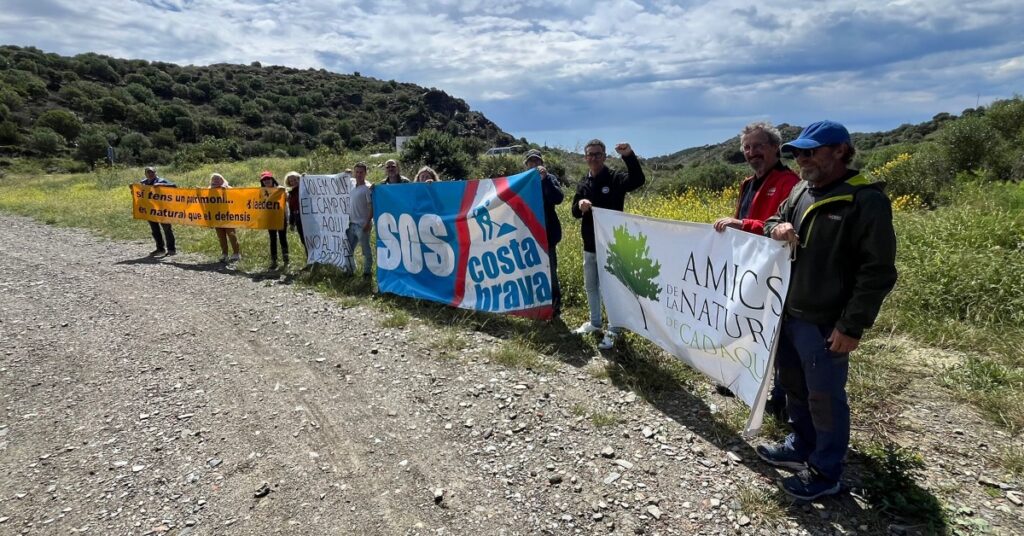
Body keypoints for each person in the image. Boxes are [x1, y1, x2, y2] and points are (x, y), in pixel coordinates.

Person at [759, 120, 897, 501]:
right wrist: (777, 228)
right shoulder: (801, 191)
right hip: (790, 314)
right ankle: (801, 445)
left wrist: (851, 326)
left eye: (811, 151)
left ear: (840, 151)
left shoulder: (865, 200)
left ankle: (825, 472)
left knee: (825, 397)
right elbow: (773, 220)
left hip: (826, 323)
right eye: (798, 153)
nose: (803, 159)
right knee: (794, 386)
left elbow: (877, 272)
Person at [712, 122, 800, 419]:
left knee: (776, 333)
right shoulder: (747, 183)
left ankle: (780, 398)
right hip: (749, 266)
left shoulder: (790, 182)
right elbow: (741, 222)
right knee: (747, 321)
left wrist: (743, 225)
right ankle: (739, 378)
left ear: (775, 147)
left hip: (776, 271)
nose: (752, 152)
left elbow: (785, 227)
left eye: (758, 146)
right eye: (747, 147)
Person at [571, 140, 646, 349]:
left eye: (597, 154)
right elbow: (574, 212)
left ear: (604, 156)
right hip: (590, 245)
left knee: (612, 289)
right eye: (590, 154)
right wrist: (580, 204)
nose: (593, 158)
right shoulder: (583, 182)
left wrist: (628, 155)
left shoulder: (615, 178)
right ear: (585, 157)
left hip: (612, 246)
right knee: (591, 287)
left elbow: (638, 180)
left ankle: (614, 329)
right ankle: (595, 323)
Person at [523, 149, 565, 318]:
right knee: (529, 271)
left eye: (537, 161)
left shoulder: (550, 178)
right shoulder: (520, 181)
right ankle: (533, 304)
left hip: (547, 234)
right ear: (526, 165)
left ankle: (554, 307)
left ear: (542, 163)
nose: (534, 164)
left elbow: (558, 198)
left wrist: (545, 179)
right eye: (531, 162)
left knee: (550, 271)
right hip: (526, 234)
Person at [139, 166, 176, 256]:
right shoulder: (143, 183)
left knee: (167, 229)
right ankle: (160, 249)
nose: (150, 174)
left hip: (162, 210)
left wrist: (161, 185)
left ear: (155, 173)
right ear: (145, 174)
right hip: (150, 210)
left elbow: (174, 186)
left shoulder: (161, 181)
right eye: (148, 172)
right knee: (155, 230)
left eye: (152, 172)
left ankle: (171, 249)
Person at [347, 162, 374, 277]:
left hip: (362, 225)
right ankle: (350, 270)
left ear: (365, 173)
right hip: (351, 224)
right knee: (348, 250)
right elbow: (341, 179)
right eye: (357, 172)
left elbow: (371, 207)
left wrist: (368, 223)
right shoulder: (352, 184)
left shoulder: (367, 188)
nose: (358, 174)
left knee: (365, 250)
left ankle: (367, 272)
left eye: (361, 172)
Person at [259, 171, 289, 269]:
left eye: (268, 179)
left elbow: (287, 198)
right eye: (264, 180)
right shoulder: (261, 191)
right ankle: (274, 260)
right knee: (272, 239)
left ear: (272, 179)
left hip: (281, 217)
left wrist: (285, 192)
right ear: (262, 182)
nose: (266, 181)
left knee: (283, 238)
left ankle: (286, 260)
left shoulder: (280, 189)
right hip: (269, 218)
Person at [209, 173, 240, 263]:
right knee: (221, 236)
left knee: (232, 235)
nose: (216, 180)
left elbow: (236, 199)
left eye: (218, 178)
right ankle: (224, 254)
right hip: (216, 217)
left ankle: (236, 253)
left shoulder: (229, 188)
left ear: (222, 179)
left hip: (228, 216)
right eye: (214, 179)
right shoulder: (209, 190)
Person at [285, 171, 307, 261]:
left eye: (295, 180)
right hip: (298, 219)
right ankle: (310, 261)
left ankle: (315, 262)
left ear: (299, 179)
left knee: (310, 240)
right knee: (304, 241)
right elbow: (292, 209)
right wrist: (291, 223)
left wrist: (306, 178)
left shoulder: (305, 189)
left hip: (308, 218)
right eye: (291, 181)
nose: (293, 182)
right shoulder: (290, 194)